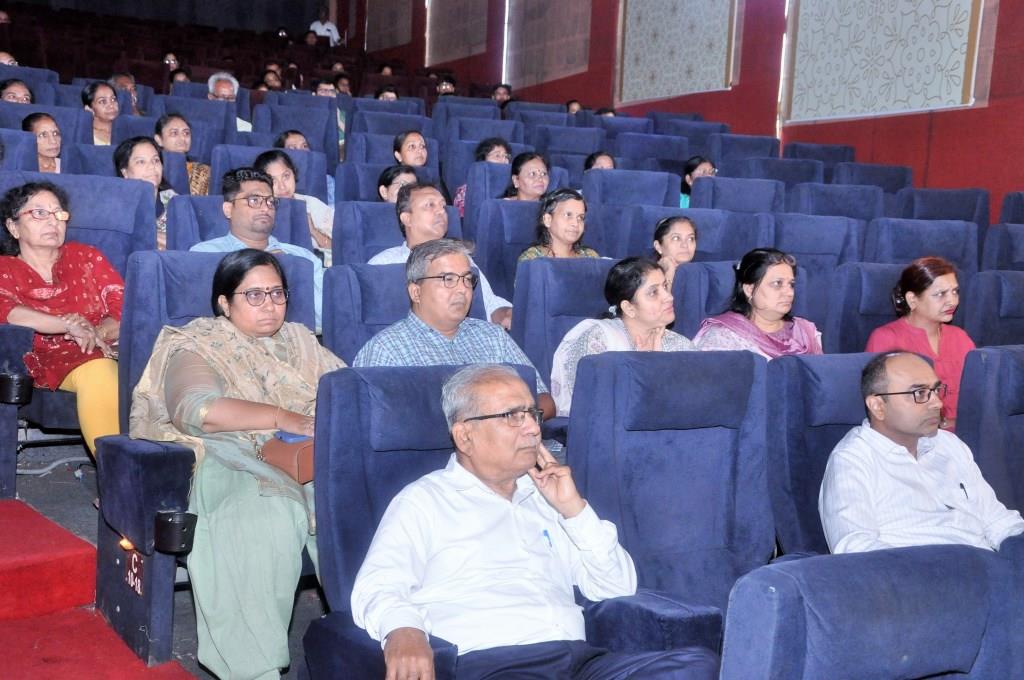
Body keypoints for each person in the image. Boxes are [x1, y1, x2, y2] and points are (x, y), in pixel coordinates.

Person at [351, 363, 718, 679]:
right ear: (465, 435)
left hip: (579, 661)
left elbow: (616, 587)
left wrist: (574, 510)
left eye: (532, 414)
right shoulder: (425, 501)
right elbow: (378, 585)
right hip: (495, 664)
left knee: (696, 666)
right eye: (512, 416)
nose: (532, 429)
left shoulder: (548, 497)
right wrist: (403, 629)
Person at [130, 249, 345, 680]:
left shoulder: (302, 343)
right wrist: (282, 417)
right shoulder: (197, 343)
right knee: (267, 516)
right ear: (224, 303)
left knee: (357, 506)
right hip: (233, 454)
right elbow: (196, 409)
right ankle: (254, 670)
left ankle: (375, 641)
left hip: (313, 452)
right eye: (254, 295)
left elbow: (348, 391)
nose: (270, 305)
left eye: (277, 293)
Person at [819, 351, 1024, 554]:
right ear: (878, 406)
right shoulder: (852, 460)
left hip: (985, 565)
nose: (937, 403)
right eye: (919, 393)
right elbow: (854, 548)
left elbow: (997, 521)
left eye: (936, 390)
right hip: (917, 570)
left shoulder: (949, 444)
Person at [355, 239, 552, 418]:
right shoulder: (387, 350)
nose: (462, 289)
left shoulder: (493, 337)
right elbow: (373, 423)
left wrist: (516, 421)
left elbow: (544, 398)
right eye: (448, 279)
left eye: (467, 279)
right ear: (416, 292)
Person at [0, 181, 121, 456]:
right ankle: (119, 472)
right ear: (13, 227)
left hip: (107, 348)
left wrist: (95, 333)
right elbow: (8, 311)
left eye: (59, 213)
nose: (53, 221)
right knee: (98, 370)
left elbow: (124, 309)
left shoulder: (87, 257)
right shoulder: (4, 268)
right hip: (43, 358)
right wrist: (68, 326)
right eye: (39, 213)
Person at [551, 257, 696, 416]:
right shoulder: (596, 339)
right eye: (653, 292)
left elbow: (695, 404)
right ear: (629, 308)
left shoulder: (680, 345)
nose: (669, 297)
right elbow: (593, 410)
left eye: (665, 286)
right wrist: (647, 368)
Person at [191, 168, 324, 331]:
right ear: (228, 209)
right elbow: (200, 319)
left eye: (270, 201)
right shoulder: (203, 255)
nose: (265, 208)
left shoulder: (303, 258)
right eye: (254, 200)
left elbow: (323, 319)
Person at [368, 183, 512, 327]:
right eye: (430, 205)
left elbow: (490, 304)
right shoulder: (382, 264)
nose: (441, 211)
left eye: (443, 206)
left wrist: (505, 314)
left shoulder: (460, 259)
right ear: (407, 219)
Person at [865, 256, 974, 431]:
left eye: (955, 291)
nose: (952, 301)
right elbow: (888, 407)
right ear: (912, 300)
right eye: (940, 294)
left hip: (966, 432)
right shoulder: (886, 338)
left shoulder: (960, 337)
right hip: (914, 436)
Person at [694, 248, 822, 358]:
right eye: (777, 283)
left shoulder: (805, 332)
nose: (789, 293)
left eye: (791, 284)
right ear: (749, 290)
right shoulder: (723, 337)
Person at [253, 149, 333, 264]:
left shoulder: (312, 204)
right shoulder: (257, 211)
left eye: (286, 176)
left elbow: (341, 250)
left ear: (294, 174)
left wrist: (313, 231)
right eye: (272, 181)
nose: (282, 186)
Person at [114, 136, 177, 250]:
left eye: (156, 160)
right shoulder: (116, 207)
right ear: (125, 172)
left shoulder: (173, 199)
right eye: (141, 162)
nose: (152, 166)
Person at [519, 188, 599, 262]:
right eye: (568, 215)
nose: (575, 223)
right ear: (548, 220)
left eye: (580, 217)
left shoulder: (590, 257)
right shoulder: (532, 259)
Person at [451, 137, 511, 217]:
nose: (504, 161)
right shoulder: (467, 190)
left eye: (506, 156)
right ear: (483, 160)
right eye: (497, 155)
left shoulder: (514, 185)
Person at [154, 112, 211, 195]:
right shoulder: (152, 169)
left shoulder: (204, 172)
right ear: (159, 140)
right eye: (174, 133)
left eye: (186, 133)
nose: (182, 138)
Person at [652, 215, 697, 288]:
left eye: (690, 239)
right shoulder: (645, 277)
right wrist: (669, 273)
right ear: (658, 246)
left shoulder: (700, 275)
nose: (685, 245)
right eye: (676, 238)